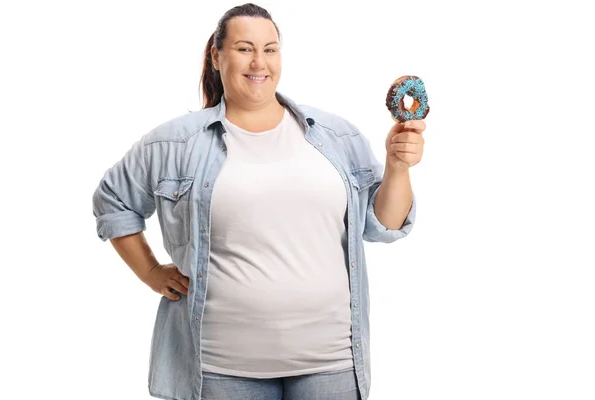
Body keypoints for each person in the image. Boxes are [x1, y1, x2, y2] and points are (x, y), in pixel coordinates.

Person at [92, 3, 425, 400]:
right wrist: (149, 271)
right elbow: (112, 200)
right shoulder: (174, 143)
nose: (259, 62)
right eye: (244, 48)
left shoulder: (337, 136)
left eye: (270, 49)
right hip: (221, 368)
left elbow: (384, 225)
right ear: (217, 56)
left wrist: (398, 167)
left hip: (331, 361)